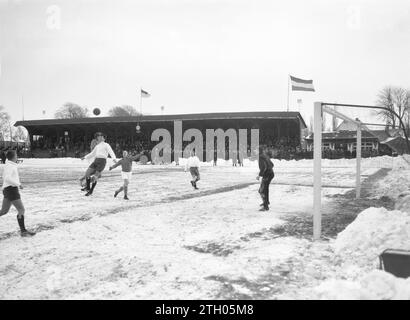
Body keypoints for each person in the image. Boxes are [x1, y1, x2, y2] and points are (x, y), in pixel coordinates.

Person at [0, 150, 35, 237]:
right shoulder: (10, 166)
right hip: (11, 190)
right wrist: (18, 184)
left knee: (4, 211)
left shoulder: (10, 165)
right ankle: (23, 231)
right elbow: (7, 178)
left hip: (8, 190)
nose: (17, 156)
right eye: (16, 155)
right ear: (13, 157)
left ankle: (23, 231)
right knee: (21, 210)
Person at [80, 132, 116, 196]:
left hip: (102, 161)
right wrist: (85, 157)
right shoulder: (97, 146)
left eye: (101, 137)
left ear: (104, 139)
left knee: (95, 177)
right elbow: (92, 154)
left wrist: (114, 159)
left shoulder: (106, 145)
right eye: (99, 136)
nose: (100, 137)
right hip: (96, 160)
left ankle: (91, 191)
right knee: (87, 173)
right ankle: (88, 187)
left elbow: (111, 152)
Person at [257, 146, 274, 211]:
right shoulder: (265, 156)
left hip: (267, 175)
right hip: (271, 174)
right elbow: (272, 164)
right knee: (265, 189)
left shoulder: (260, 157)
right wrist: (269, 169)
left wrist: (259, 175)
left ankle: (265, 206)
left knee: (261, 190)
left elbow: (264, 167)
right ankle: (266, 202)